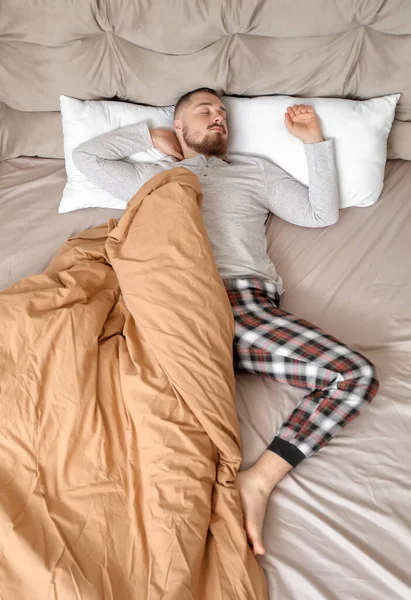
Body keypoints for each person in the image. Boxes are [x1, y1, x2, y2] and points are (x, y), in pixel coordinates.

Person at [73, 88, 379, 556]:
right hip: (175, 309)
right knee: (145, 449)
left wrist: (314, 142)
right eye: (205, 110)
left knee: (352, 374)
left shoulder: (254, 171)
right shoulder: (155, 178)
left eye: (223, 112)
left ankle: (259, 481)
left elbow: (319, 213)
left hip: (241, 305)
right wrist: (149, 137)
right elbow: (86, 158)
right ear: (180, 126)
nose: (219, 117)